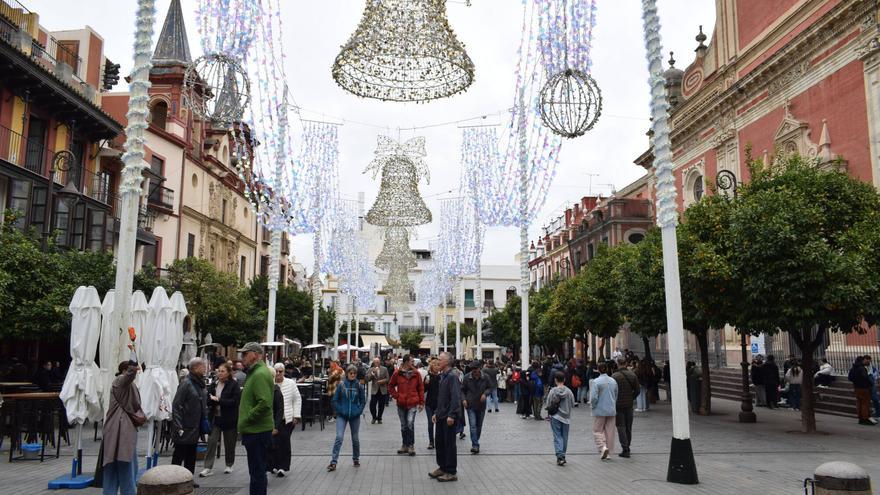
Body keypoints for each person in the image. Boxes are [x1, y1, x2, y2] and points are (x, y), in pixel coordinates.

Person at [238, 342, 275, 495]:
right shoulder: (256, 372)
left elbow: (264, 403)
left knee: (257, 472)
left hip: (257, 431)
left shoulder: (259, 374)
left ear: (255, 354)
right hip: (255, 430)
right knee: (256, 471)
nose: (242, 357)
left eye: (245, 354)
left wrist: (248, 418)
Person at [102, 361, 144, 495]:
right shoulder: (120, 381)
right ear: (125, 370)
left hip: (120, 428)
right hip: (121, 429)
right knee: (125, 464)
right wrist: (133, 359)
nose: (137, 372)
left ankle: (112, 492)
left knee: (117, 464)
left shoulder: (122, 383)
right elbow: (130, 374)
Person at [200, 362, 241, 477]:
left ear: (228, 373)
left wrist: (219, 400)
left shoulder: (233, 385)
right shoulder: (214, 384)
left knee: (229, 443)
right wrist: (210, 400)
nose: (220, 373)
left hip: (229, 418)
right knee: (211, 441)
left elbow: (235, 402)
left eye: (223, 371)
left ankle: (229, 464)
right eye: (219, 371)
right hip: (215, 418)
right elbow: (208, 399)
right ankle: (207, 467)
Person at [171, 358, 208, 477]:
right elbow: (176, 405)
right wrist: (178, 426)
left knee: (191, 455)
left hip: (195, 426)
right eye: (203, 366)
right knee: (179, 454)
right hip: (185, 427)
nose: (205, 368)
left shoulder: (200, 383)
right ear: (195, 368)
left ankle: (189, 478)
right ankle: (173, 478)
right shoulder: (186, 383)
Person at [429, 352, 460, 483]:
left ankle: (451, 471)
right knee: (440, 443)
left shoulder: (452, 377)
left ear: (447, 362)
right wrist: (436, 412)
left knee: (449, 444)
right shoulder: (443, 376)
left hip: (448, 417)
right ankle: (442, 467)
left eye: (440, 360)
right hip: (441, 415)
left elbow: (455, 397)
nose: (438, 362)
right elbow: (441, 398)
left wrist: (452, 415)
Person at [329, 365, 366, 471]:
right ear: (347, 374)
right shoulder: (341, 385)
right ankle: (333, 461)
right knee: (339, 437)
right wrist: (340, 410)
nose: (353, 375)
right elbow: (334, 400)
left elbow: (363, 400)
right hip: (342, 415)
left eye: (354, 373)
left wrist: (358, 411)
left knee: (355, 439)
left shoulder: (359, 385)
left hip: (354, 415)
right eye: (351, 373)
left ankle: (356, 458)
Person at [388, 354, 425, 456]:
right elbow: (390, 386)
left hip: (412, 402)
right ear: (406, 362)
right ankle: (405, 445)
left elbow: (421, 388)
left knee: (410, 423)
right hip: (401, 403)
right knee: (404, 425)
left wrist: (421, 402)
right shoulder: (397, 373)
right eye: (411, 361)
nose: (413, 363)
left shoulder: (416, 373)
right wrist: (397, 396)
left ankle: (411, 445)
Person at [270, 362, 301, 477]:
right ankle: (274, 464)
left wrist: (296, 415)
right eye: (276, 371)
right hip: (273, 419)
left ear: (284, 372)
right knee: (274, 442)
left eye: (280, 371)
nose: (278, 373)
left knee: (284, 442)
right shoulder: (271, 384)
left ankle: (283, 466)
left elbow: (297, 399)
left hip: (286, 418)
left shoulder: (290, 383)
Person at [544, 371, 575, 466]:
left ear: (555, 380)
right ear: (564, 380)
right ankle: (563, 455)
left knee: (557, 436)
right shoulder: (569, 391)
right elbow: (573, 403)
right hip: (566, 417)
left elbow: (548, 404)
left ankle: (560, 456)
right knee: (565, 437)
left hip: (555, 416)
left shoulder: (553, 391)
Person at [589, 363, 618, 460]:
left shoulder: (596, 382)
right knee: (610, 432)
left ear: (598, 370)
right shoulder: (613, 381)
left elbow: (593, 397)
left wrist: (593, 406)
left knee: (597, 430)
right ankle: (608, 452)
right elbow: (616, 395)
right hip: (611, 409)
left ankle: (602, 447)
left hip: (600, 409)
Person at [611, 358, 639, 458]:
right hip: (629, 405)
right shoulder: (632, 375)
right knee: (628, 427)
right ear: (626, 364)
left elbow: (612, 391)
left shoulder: (614, 376)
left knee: (620, 427)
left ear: (618, 364)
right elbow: (637, 390)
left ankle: (625, 448)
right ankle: (628, 446)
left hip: (618, 405)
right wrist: (631, 398)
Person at [461, 360, 490, 454]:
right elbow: (462, 390)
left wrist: (485, 394)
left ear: (479, 368)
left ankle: (475, 440)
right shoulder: (467, 377)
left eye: (475, 369)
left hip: (481, 405)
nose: (474, 371)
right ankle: (475, 445)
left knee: (479, 426)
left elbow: (490, 388)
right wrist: (463, 399)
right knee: (473, 426)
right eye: (472, 369)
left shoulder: (485, 377)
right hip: (470, 404)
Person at [849, 356, 876, 426]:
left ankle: (860, 418)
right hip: (864, 388)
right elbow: (866, 378)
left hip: (856, 388)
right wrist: (870, 384)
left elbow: (850, 378)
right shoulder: (862, 368)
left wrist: (856, 382)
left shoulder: (853, 368)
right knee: (865, 404)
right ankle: (865, 418)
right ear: (862, 361)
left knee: (859, 403)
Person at [424, 358, 440, 450]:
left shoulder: (442, 377)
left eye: (438, 365)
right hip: (429, 404)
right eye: (434, 365)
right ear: (431, 367)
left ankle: (438, 441)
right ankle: (431, 442)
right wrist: (426, 384)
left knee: (439, 424)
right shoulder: (428, 377)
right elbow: (423, 390)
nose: (436, 367)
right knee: (430, 423)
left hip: (439, 404)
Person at [368, 357, 389, 424]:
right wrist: (373, 373)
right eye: (375, 362)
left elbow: (387, 378)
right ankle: (374, 417)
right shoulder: (371, 369)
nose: (377, 363)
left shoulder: (384, 369)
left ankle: (379, 418)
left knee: (381, 405)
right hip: (374, 390)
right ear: (373, 363)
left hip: (382, 390)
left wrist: (382, 381)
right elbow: (368, 379)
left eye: (378, 362)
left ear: (380, 362)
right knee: (372, 405)